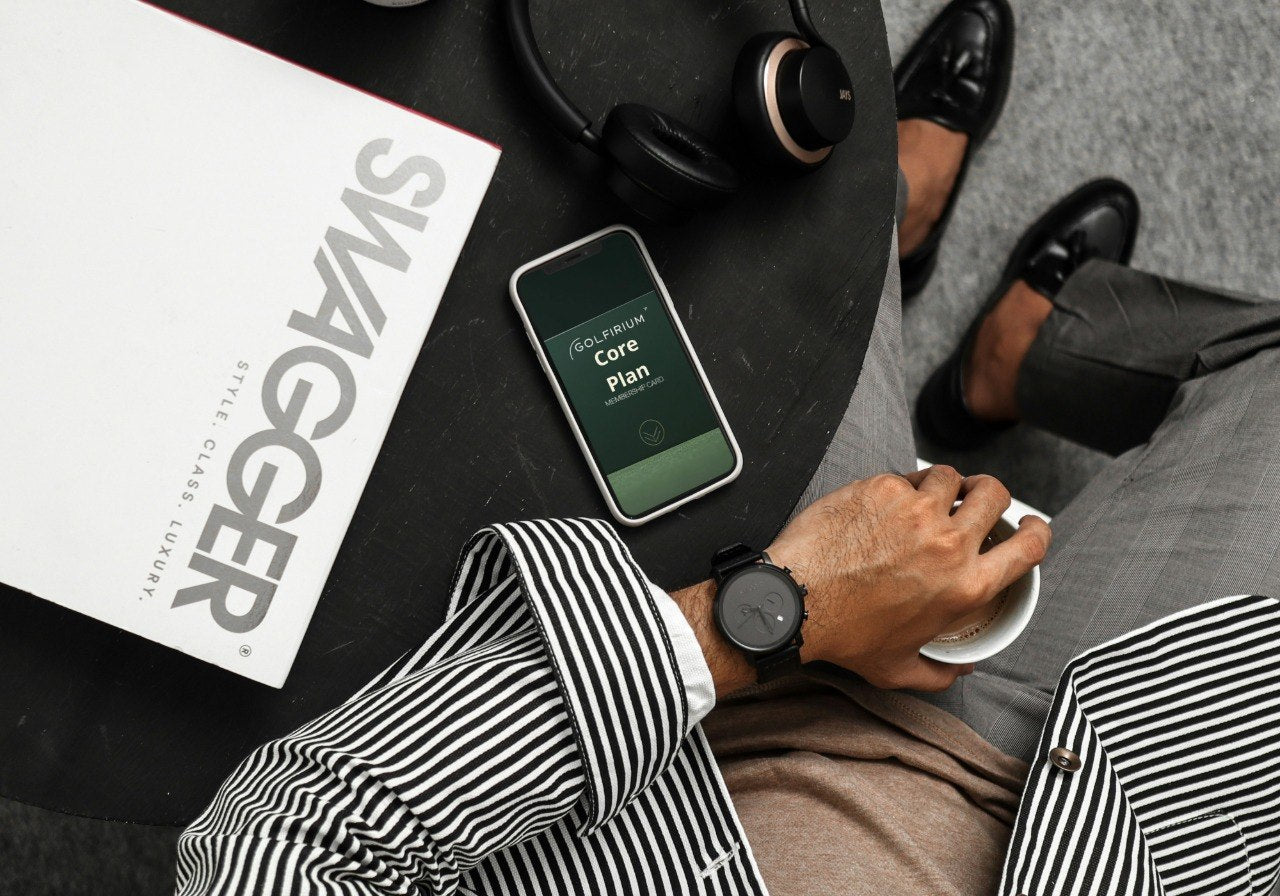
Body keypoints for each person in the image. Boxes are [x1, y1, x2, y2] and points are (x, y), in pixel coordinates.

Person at [174, 1, 1280, 894]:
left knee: (761, 232)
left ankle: (899, 234)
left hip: (685, 725)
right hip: (1098, 798)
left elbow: (283, 846)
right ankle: (1012, 347)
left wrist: (767, 615)